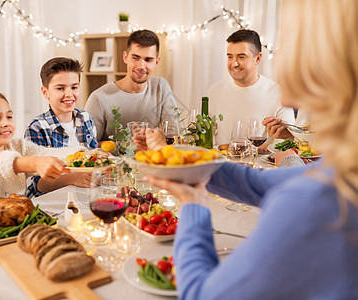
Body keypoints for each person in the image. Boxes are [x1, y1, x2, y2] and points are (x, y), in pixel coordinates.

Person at [145, 0, 358, 298]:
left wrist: (193, 206)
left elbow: (200, 294)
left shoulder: (314, 204)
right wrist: (181, 159)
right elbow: (258, 183)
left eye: (289, 50)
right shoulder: (339, 173)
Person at [0, 90, 87, 214]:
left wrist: (85, 155)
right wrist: (33, 163)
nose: (6, 123)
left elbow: (47, 153)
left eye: (9, 116)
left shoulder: (18, 146)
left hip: (12, 221)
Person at [84, 29, 178, 144]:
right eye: (135, 58)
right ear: (125, 57)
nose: (141, 66)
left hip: (149, 160)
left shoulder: (161, 86)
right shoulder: (98, 98)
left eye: (148, 60)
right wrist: (126, 145)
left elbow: (175, 133)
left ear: (157, 62)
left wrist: (152, 138)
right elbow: (87, 146)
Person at [207, 29, 295, 147]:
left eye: (241, 57)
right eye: (230, 57)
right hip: (222, 163)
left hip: (260, 164)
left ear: (258, 58)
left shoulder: (278, 92)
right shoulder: (214, 91)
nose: (234, 63)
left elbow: (290, 141)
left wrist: (278, 140)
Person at [24, 57, 98, 196]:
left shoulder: (86, 119)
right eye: (60, 88)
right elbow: (39, 185)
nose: (69, 94)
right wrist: (74, 178)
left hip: (83, 195)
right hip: (49, 201)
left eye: (74, 87)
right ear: (45, 92)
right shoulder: (37, 128)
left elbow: (92, 161)